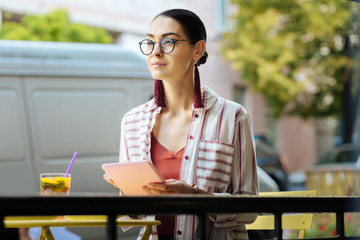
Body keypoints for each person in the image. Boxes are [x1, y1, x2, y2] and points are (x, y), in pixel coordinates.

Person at [104, 8, 259, 240]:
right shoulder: (132, 122)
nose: (156, 52)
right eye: (150, 42)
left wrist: (197, 197)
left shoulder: (232, 116)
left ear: (197, 49)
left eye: (168, 42)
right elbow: (132, 216)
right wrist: (129, 194)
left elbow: (250, 209)